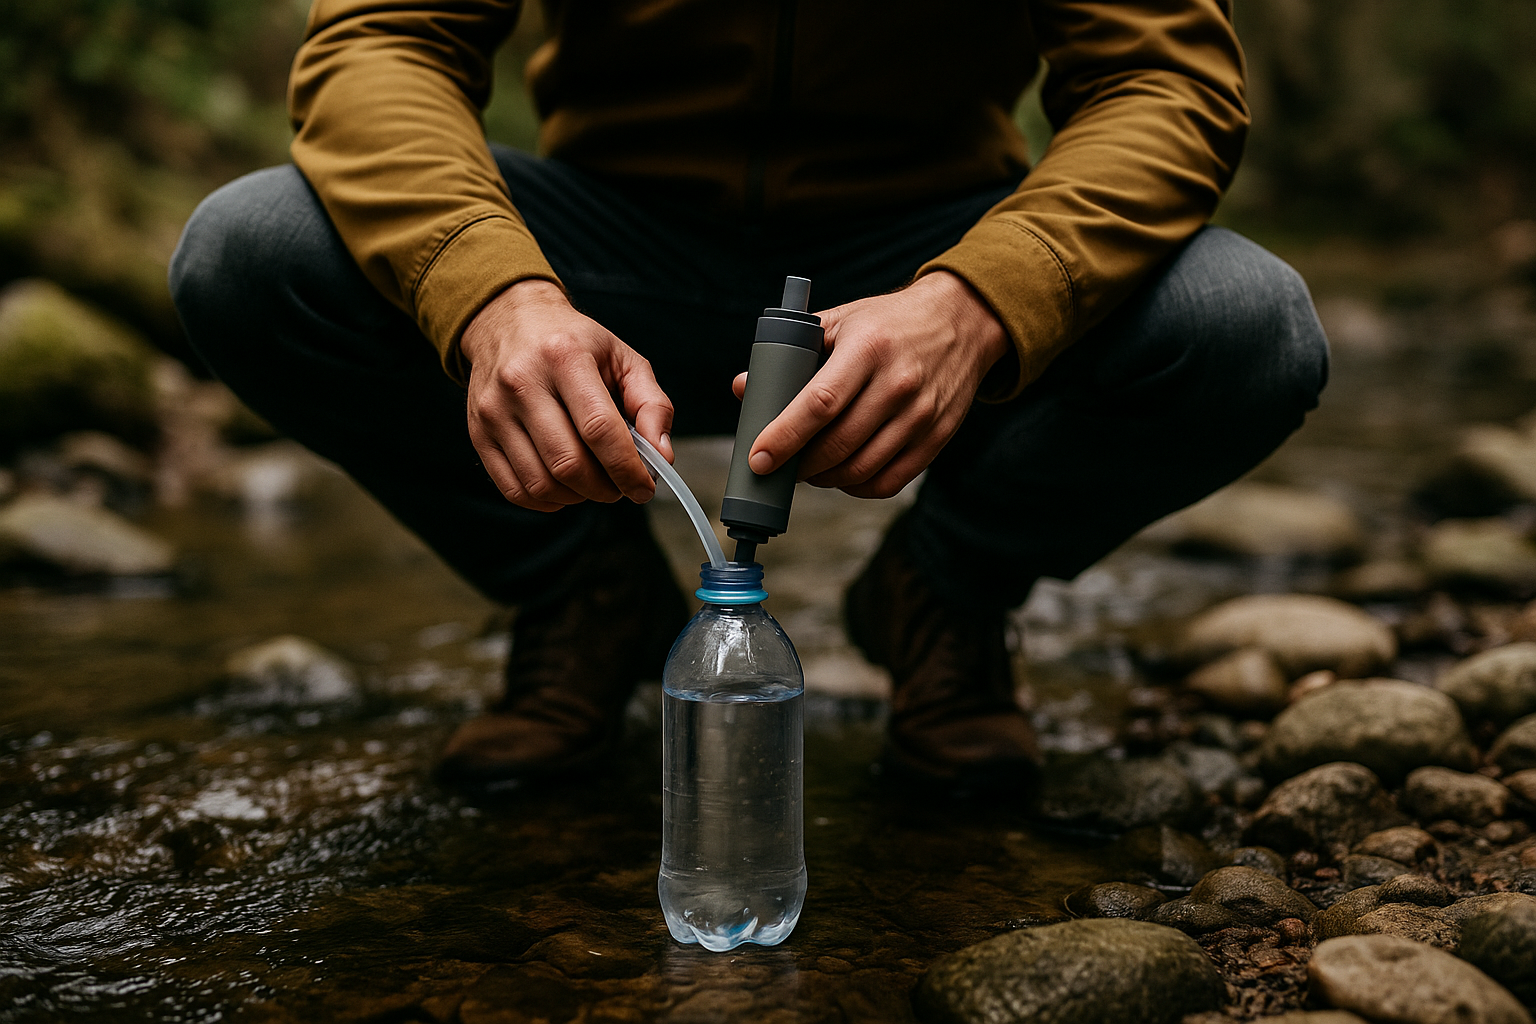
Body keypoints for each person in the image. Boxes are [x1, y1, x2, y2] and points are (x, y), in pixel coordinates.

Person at [169, 0, 1328, 789]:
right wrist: (494, 291)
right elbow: (384, 38)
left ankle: (944, 594)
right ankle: (583, 592)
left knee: (1244, 325)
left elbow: (1162, 79)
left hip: (925, 251)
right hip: (607, 247)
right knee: (252, 252)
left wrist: (982, 298)